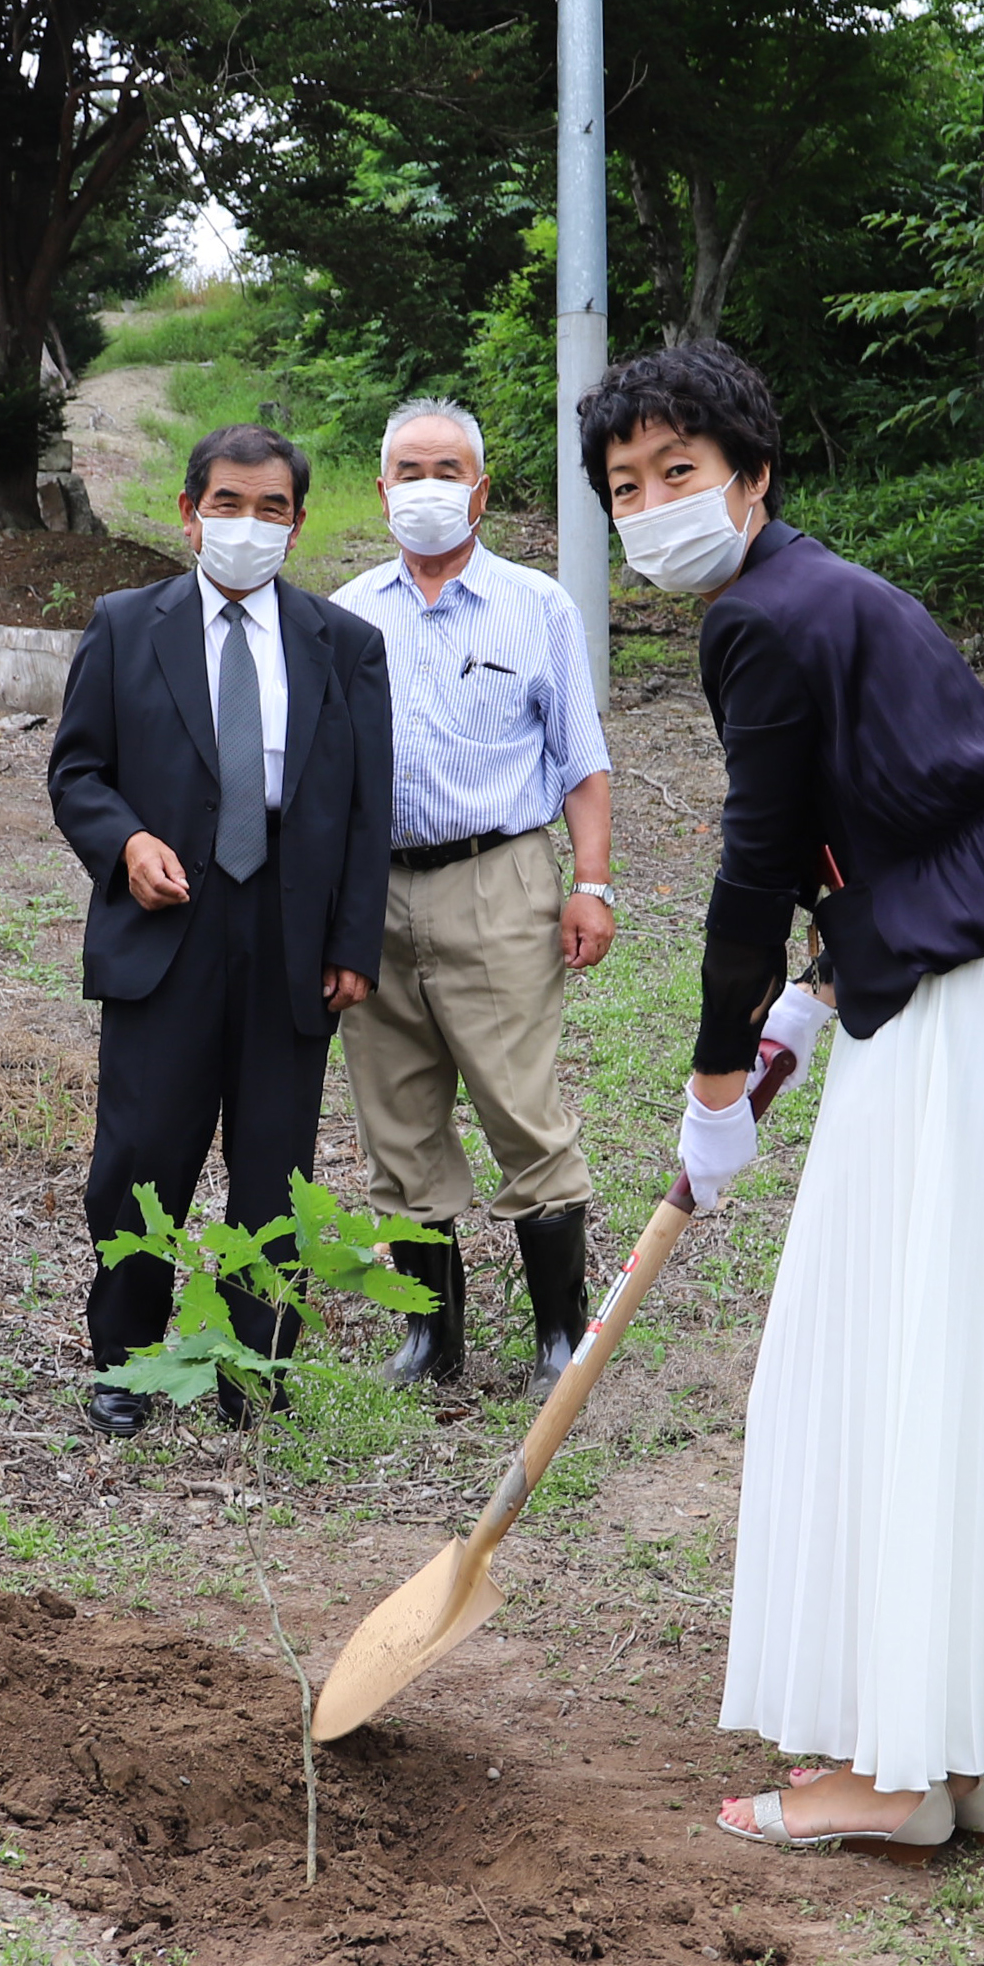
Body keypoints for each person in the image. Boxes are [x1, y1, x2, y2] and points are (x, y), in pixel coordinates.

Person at [578, 341, 984, 1858]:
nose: (650, 506)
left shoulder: (758, 617)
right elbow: (885, 806)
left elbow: (754, 859)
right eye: (623, 486)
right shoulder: (825, 591)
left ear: (752, 478)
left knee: (881, 1342)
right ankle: (948, 1750)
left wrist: (713, 1080)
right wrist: (819, 995)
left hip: (965, 998)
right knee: (936, 1340)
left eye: (676, 471)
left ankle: (894, 1774)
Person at [50, 424, 393, 1438]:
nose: (249, 524)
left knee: (274, 1167)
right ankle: (128, 1357)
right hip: (169, 930)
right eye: (228, 504)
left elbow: (369, 809)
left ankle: (255, 1367)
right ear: (191, 515)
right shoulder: (124, 625)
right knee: (140, 1157)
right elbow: (77, 772)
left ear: (296, 522)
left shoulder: (344, 645)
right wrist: (126, 843)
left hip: (291, 932)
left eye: (272, 508)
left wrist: (352, 943)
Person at [329, 397, 615, 1396]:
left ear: (481, 489)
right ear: (379, 490)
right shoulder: (348, 614)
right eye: (407, 470)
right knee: (396, 1119)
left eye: (446, 469)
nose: (426, 489)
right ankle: (430, 1338)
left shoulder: (537, 607)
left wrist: (590, 883)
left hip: (500, 881)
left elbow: (582, 764)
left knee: (518, 1108)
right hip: (375, 890)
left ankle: (557, 1337)